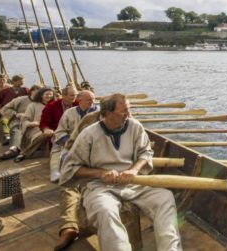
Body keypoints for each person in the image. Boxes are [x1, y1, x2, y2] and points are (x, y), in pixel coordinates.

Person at [60, 93, 181, 251]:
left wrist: (134, 170)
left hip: (133, 183)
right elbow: (70, 168)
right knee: (105, 210)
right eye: (124, 111)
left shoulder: (135, 126)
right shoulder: (89, 134)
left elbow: (145, 153)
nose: (128, 115)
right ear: (108, 114)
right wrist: (100, 173)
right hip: (100, 187)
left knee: (165, 197)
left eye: (129, 109)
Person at [53, 91, 100, 250]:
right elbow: (60, 133)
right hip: (73, 152)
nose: (92, 103)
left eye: (94, 100)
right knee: (68, 185)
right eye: (89, 100)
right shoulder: (70, 113)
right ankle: (69, 227)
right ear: (78, 100)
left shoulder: (101, 115)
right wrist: (71, 144)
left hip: (97, 158)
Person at [41, 85, 78, 182]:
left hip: (75, 134)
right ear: (64, 96)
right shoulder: (52, 106)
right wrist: (46, 129)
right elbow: (43, 122)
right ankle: (55, 170)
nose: (75, 98)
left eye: (76, 95)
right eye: (72, 95)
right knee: (57, 148)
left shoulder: (78, 104)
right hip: (58, 133)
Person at [0, 84, 42, 160]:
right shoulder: (21, 99)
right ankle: (13, 149)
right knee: (16, 130)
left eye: (40, 92)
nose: (37, 94)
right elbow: (5, 109)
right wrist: (16, 114)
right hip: (18, 121)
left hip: (35, 123)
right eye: (35, 91)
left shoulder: (43, 102)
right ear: (31, 92)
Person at [13, 87, 55, 162]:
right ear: (41, 95)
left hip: (52, 129)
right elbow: (24, 120)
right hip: (36, 130)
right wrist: (32, 123)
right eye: (46, 94)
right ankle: (25, 153)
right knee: (45, 134)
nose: (48, 96)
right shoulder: (33, 105)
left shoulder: (55, 105)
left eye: (50, 94)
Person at [0, 74, 29, 145]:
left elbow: (33, 97)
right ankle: (5, 137)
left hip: (22, 112)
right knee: (3, 121)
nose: (22, 82)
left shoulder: (26, 90)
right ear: (14, 82)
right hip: (7, 112)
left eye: (23, 81)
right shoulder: (5, 91)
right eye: (20, 81)